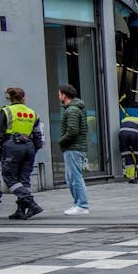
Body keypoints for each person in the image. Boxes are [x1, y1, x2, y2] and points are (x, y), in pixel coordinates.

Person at [0, 87, 45, 220]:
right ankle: (21, 210)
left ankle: (31, 203)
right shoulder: (33, 113)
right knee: (24, 179)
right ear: (24, 98)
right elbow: (38, 136)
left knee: (10, 178)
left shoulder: (5, 111)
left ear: (10, 98)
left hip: (12, 146)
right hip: (29, 147)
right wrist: (34, 149)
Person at [55, 84, 90, 215]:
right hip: (75, 147)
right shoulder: (75, 109)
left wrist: (60, 141)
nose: (58, 96)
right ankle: (78, 204)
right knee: (71, 178)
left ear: (64, 95)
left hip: (73, 148)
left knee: (75, 177)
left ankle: (81, 205)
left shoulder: (72, 110)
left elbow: (72, 131)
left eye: (59, 94)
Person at [118, 114, 138, 182]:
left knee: (127, 156)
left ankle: (131, 178)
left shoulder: (127, 118)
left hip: (122, 134)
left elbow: (124, 126)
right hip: (134, 135)